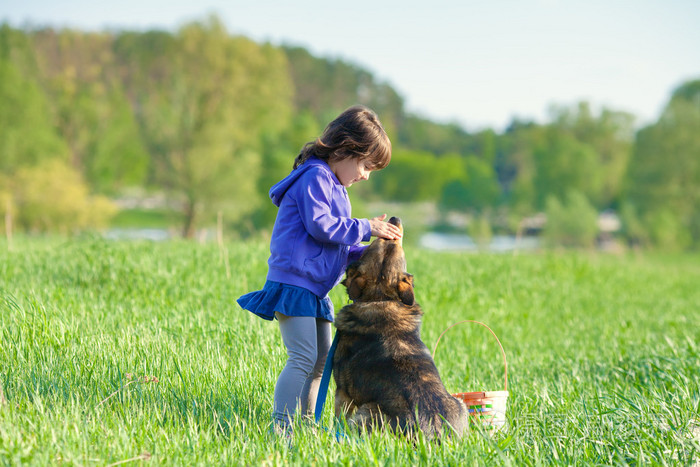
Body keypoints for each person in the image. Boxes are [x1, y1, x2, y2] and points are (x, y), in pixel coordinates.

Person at [237, 105, 402, 434]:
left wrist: (371, 250)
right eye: (365, 165)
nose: (366, 175)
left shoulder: (337, 188)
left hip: (315, 289)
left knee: (319, 363)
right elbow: (322, 227)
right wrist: (365, 226)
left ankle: (306, 425)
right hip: (295, 284)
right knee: (302, 357)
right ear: (344, 149)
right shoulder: (315, 177)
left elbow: (337, 243)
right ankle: (281, 427)